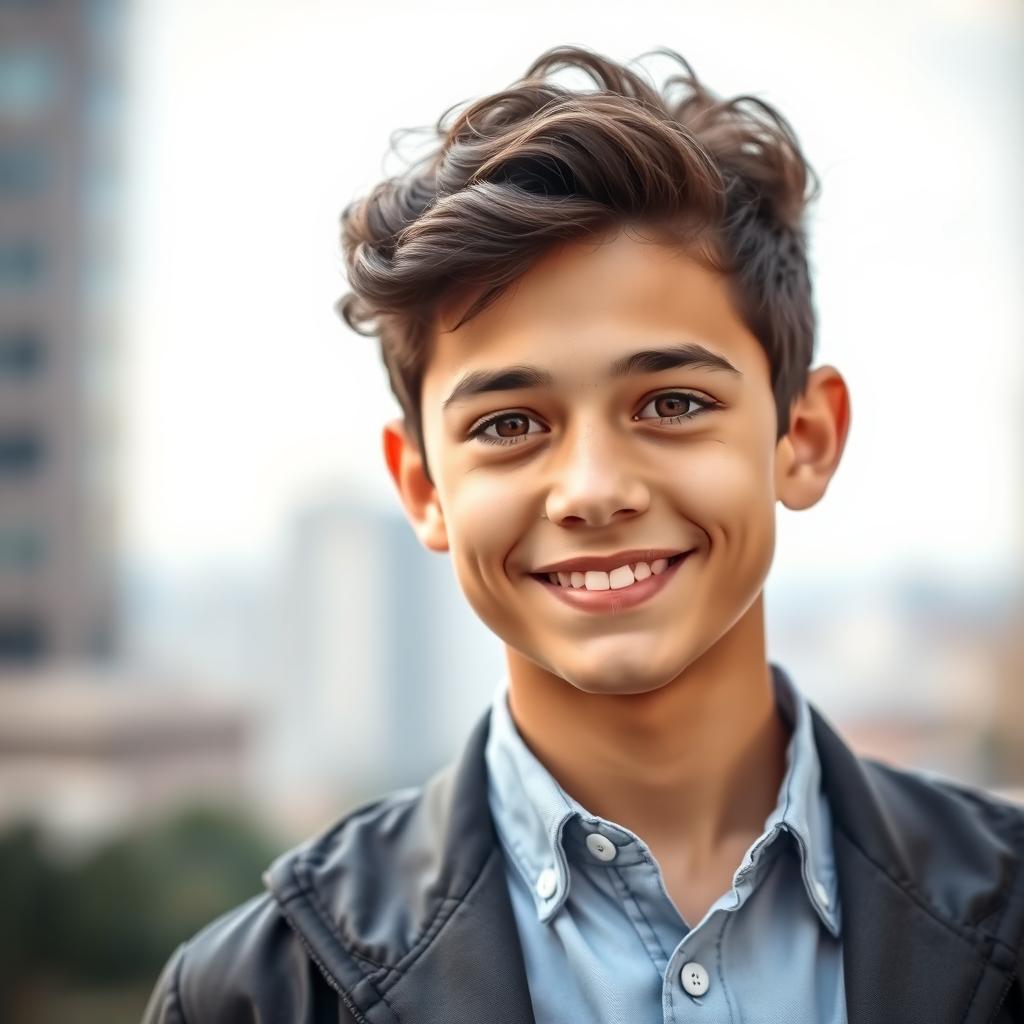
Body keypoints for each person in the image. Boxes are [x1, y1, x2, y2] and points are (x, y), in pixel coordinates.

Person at [141, 44, 1024, 1024]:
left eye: (673, 401)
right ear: (423, 485)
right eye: (509, 424)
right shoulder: (254, 994)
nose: (592, 492)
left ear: (802, 438)